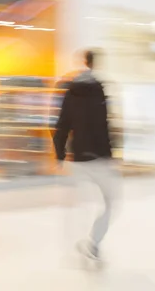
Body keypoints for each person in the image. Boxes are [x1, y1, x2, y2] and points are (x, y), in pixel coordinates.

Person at [53, 50, 118, 260]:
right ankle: (93, 241)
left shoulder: (70, 90)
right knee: (110, 201)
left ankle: (83, 242)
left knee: (81, 203)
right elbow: (107, 125)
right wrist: (112, 152)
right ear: (95, 63)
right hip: (100, 157)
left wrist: (60, 154)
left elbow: (61, 125)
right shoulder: (100, 89)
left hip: (79, 156)